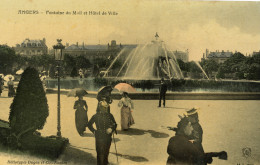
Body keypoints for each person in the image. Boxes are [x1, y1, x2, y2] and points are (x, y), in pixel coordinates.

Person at [87, 100, 117, 165]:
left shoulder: (110, 115)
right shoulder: (96, 116)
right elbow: (89, 124)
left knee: (106, 152)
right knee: (99, 153)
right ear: (100, 107)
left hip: (107, 136)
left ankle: (105, 162)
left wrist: (111, 129)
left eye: (106, 107)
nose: (105, 109)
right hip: (99, 136)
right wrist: (94, 131)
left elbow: (115, 124)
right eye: (104, 107)